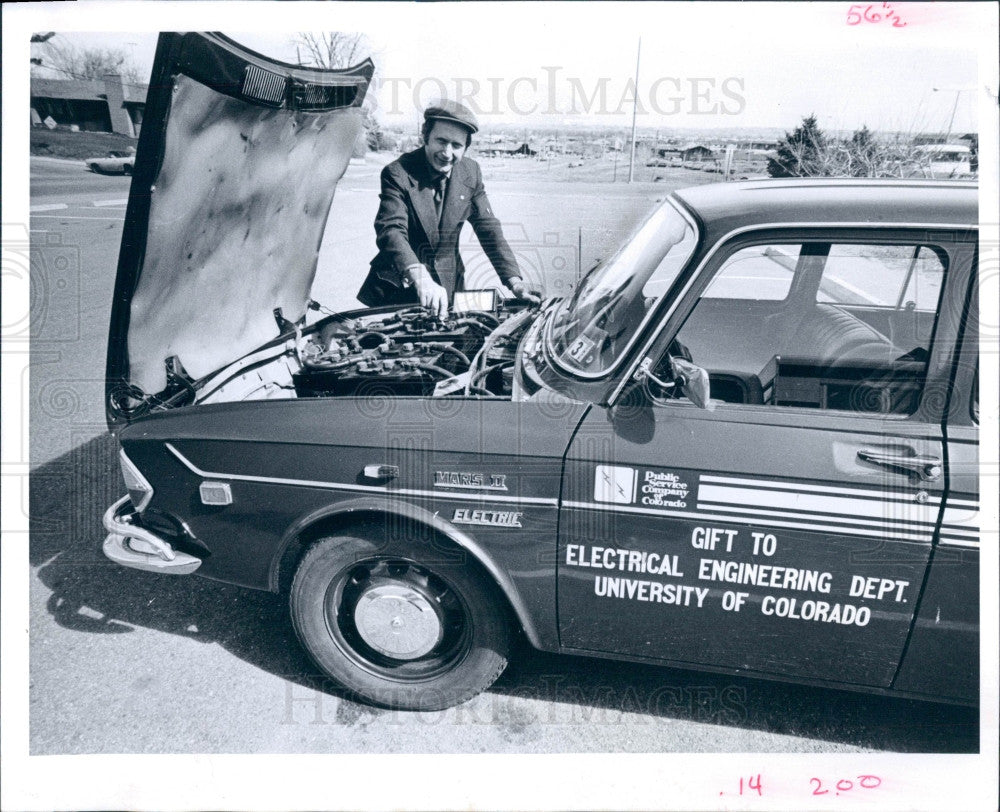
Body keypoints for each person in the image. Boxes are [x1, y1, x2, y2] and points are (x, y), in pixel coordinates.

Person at [357, 100, 538, 318]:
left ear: (465, 147)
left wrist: (515, 282)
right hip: (397, 289)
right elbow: (391, 230)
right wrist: (420, 276)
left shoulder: (471, 172)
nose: (447, 152)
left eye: (456, 145)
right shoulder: (397, 172)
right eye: (441, 141)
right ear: (426, 137)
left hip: (449, 285)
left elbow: (489, 229)